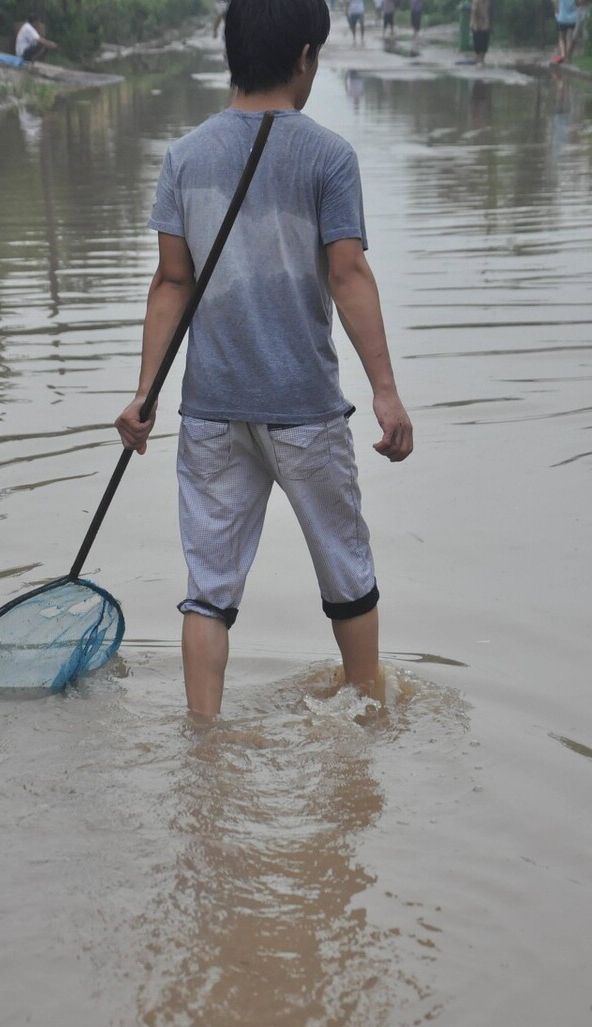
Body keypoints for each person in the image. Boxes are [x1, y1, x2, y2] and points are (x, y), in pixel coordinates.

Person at [115, 0, 413, 720]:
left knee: (208, 592)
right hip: (304, 410)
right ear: (305, 58)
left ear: (230, 53)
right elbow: (346, 275)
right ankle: (364, 728)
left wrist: (143, 394)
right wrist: (385, 392)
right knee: (346, 573)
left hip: (211, 412)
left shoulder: (184, 158)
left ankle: (204, 748)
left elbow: (171, 283)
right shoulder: (327, 157)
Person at [469, 0, 490, 65]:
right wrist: (475, 24)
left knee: (484, 42)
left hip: (485, 23)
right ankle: (478, 59)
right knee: (478, 42)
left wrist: (488, 23)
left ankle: (482, 60)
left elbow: (488, 12)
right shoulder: (476, 1)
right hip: (477, 23)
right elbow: (473, 13)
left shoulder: (488, 2)